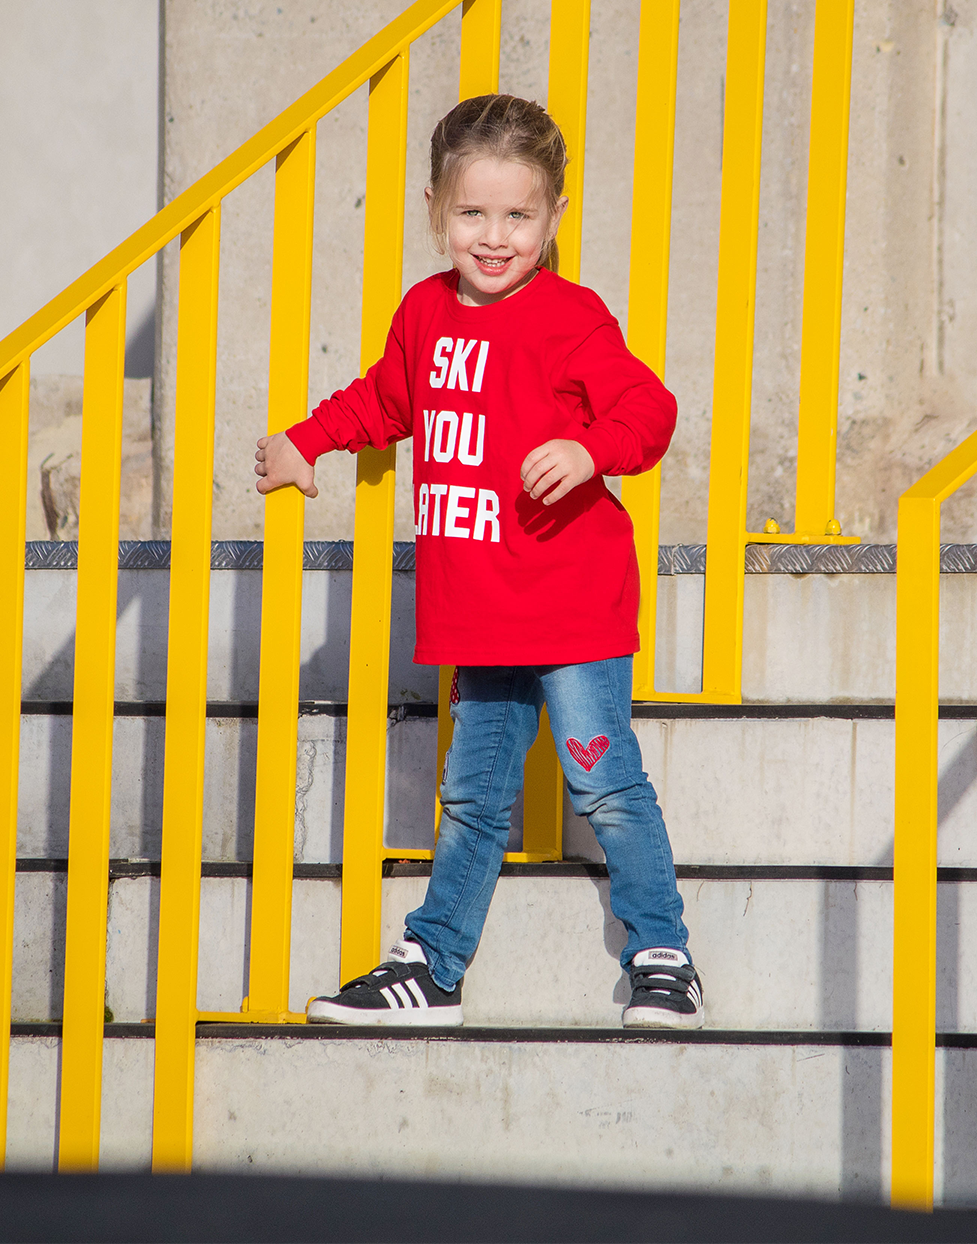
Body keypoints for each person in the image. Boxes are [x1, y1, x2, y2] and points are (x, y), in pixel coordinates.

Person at [253, 93, 701, 1030]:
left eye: (519, 216)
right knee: (470, 798)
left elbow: (649, 410)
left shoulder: (572, 317)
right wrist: (307, 441)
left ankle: (662, 952)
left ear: (554, 216)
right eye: (473, 213)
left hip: (572, 605)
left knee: (603, 781)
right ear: (434, 209)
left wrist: (589, 450)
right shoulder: (424, 312)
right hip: (482, 616)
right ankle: (435, 967)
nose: (495, 237)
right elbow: (385, 400)